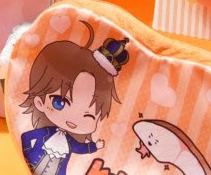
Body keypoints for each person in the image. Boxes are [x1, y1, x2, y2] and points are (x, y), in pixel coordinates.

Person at [20, 26, 129, 175]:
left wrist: (95, 146)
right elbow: (26, 137)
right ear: (40, 102)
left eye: (89, 115)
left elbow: (81, 148)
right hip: (32, 164)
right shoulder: (46, 132)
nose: (73, 119)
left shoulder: (69, 141)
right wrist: (27, 152)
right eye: (60, 102)